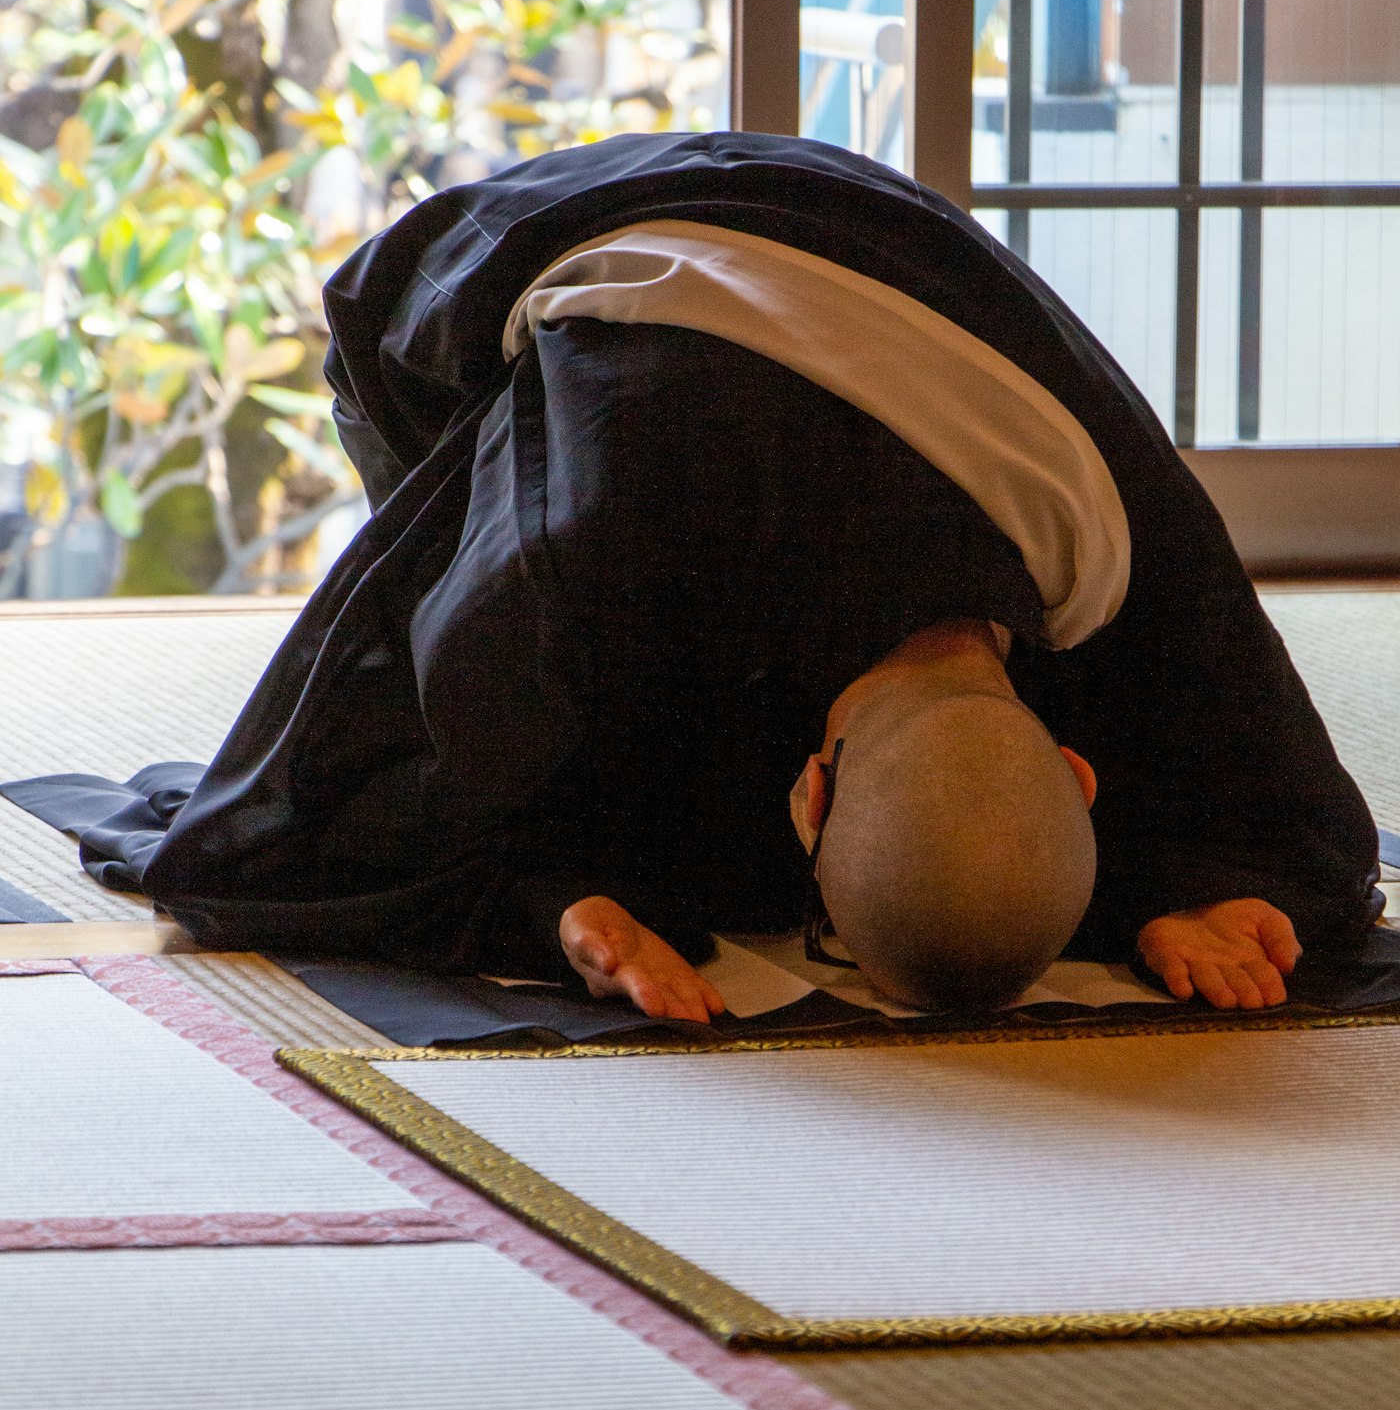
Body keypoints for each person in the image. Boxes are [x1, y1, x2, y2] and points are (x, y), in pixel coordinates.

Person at [10, 133, 1382, 1021]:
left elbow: (1299, 826)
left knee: (783, 847)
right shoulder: (575, 566)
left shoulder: (1129, 539)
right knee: (572, 774)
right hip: (494, 293)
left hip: (885, 258)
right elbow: (293, 821)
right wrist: (548, 908)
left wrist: (1187, 888)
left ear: (1083, 767)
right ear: (808, 784)